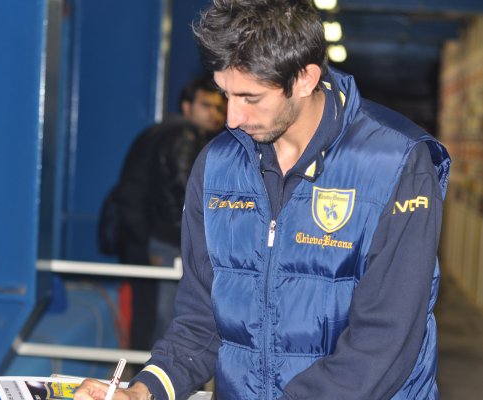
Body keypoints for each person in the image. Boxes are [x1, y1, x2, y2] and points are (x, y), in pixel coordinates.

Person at [79, 1, 451, 399]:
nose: (232, 118)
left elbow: (384, 341)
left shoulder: (397, 164)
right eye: (225, 94)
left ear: (305, 79)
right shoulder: (218, 166)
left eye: (250, 97)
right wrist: (144, 390)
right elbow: (200, 321)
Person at [99, 76, 226, 352]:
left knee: (149, 317)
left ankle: (145, 373)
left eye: (219, 107)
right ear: (187, 106)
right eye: (206, 105)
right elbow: (185, 195)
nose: (214, 114)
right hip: (165, 243)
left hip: (144, 239)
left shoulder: (162, 131)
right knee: (165, 320)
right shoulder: (185, 136)